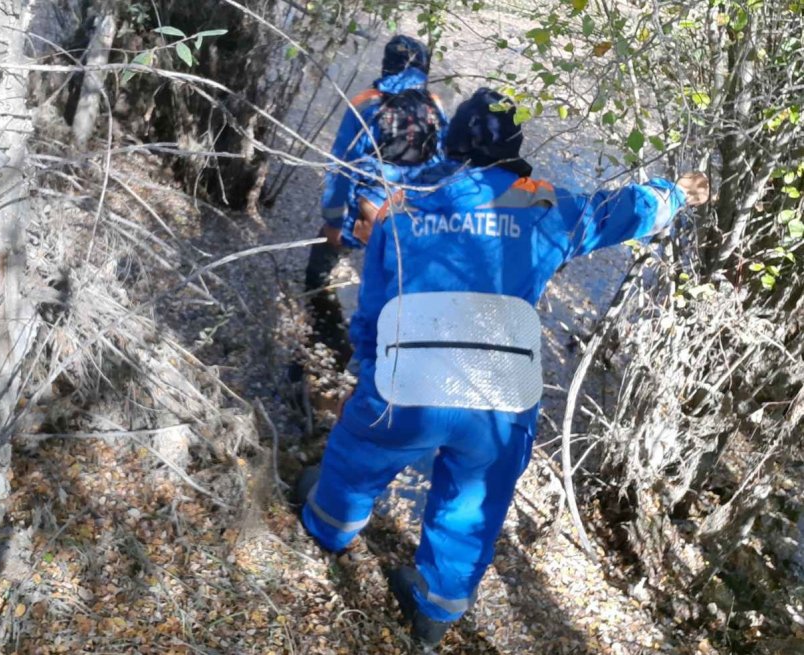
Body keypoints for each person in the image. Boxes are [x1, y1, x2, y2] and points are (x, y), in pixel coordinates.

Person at [295, 88, 709, 648]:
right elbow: (623, 211)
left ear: (451, 141)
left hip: (407, 386)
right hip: (497, 399)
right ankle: (435, 611)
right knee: (474, 503)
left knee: (358, 453)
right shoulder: (543, 205)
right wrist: (676, 193)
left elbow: (372, 313)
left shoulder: (407, 205)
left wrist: (366, 376)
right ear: (513, 146)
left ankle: (329, 528)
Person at [304, 34, 447, 294]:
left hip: (368, 209)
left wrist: (334, 221)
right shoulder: (434, 105)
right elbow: (443, 160)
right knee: (393, 279)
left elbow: (341, 167)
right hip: (414, 211)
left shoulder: (367, 103)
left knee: (326, 248)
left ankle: (314, 294)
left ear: (387, 64)